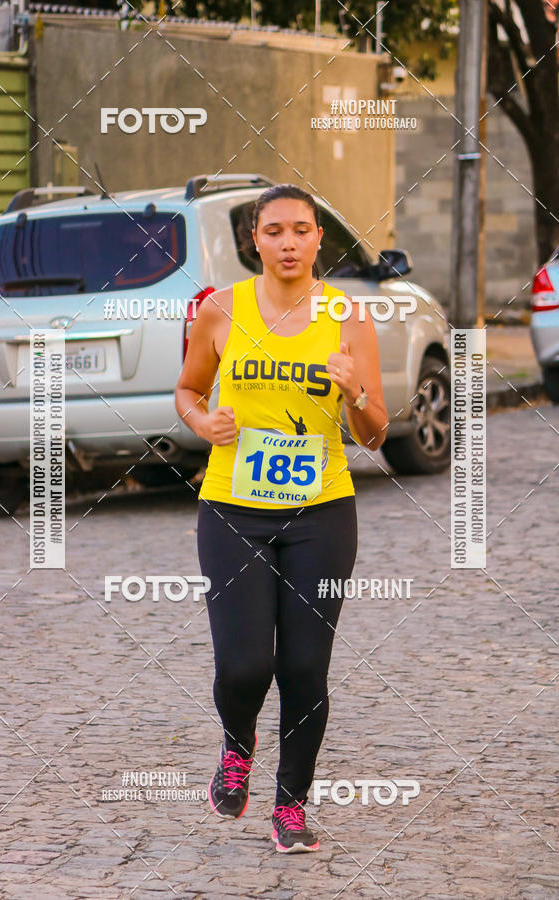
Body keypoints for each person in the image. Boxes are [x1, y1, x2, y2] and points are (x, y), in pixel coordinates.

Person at [175, 183, 388, 853]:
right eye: (274, 231)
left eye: (301, 229)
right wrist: (204, 421)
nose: (288, 242)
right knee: (243, 667)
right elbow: (186, 391)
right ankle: (238, 743)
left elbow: (376, 432)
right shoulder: (220, 311)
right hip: (232, 508)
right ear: (255, 241)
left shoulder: (348, 317)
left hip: (321, 515)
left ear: (320, 237)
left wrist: (355, 392)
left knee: (304, 669)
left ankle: (290, 806)